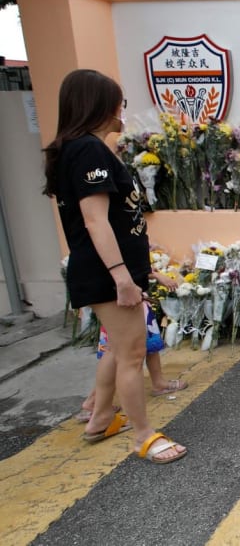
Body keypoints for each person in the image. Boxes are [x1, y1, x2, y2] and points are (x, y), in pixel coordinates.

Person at [43, 69, 186, 463]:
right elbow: (95, 220)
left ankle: (102, 415)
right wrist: (122, 276)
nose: (123, 110)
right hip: (108, 274)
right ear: (99, 105)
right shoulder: (87, 150)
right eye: (119, 102)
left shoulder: (80, 148)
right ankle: (144, 435)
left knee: (116, 349)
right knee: (131, 353)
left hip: (110, 271)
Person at [75, 272, 189, 422]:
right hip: (124, 298)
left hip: (126, 295)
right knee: (121, 352)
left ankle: (158, 382)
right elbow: (125, 263)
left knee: (141, 346)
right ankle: (94, 402)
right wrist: (154, 274)